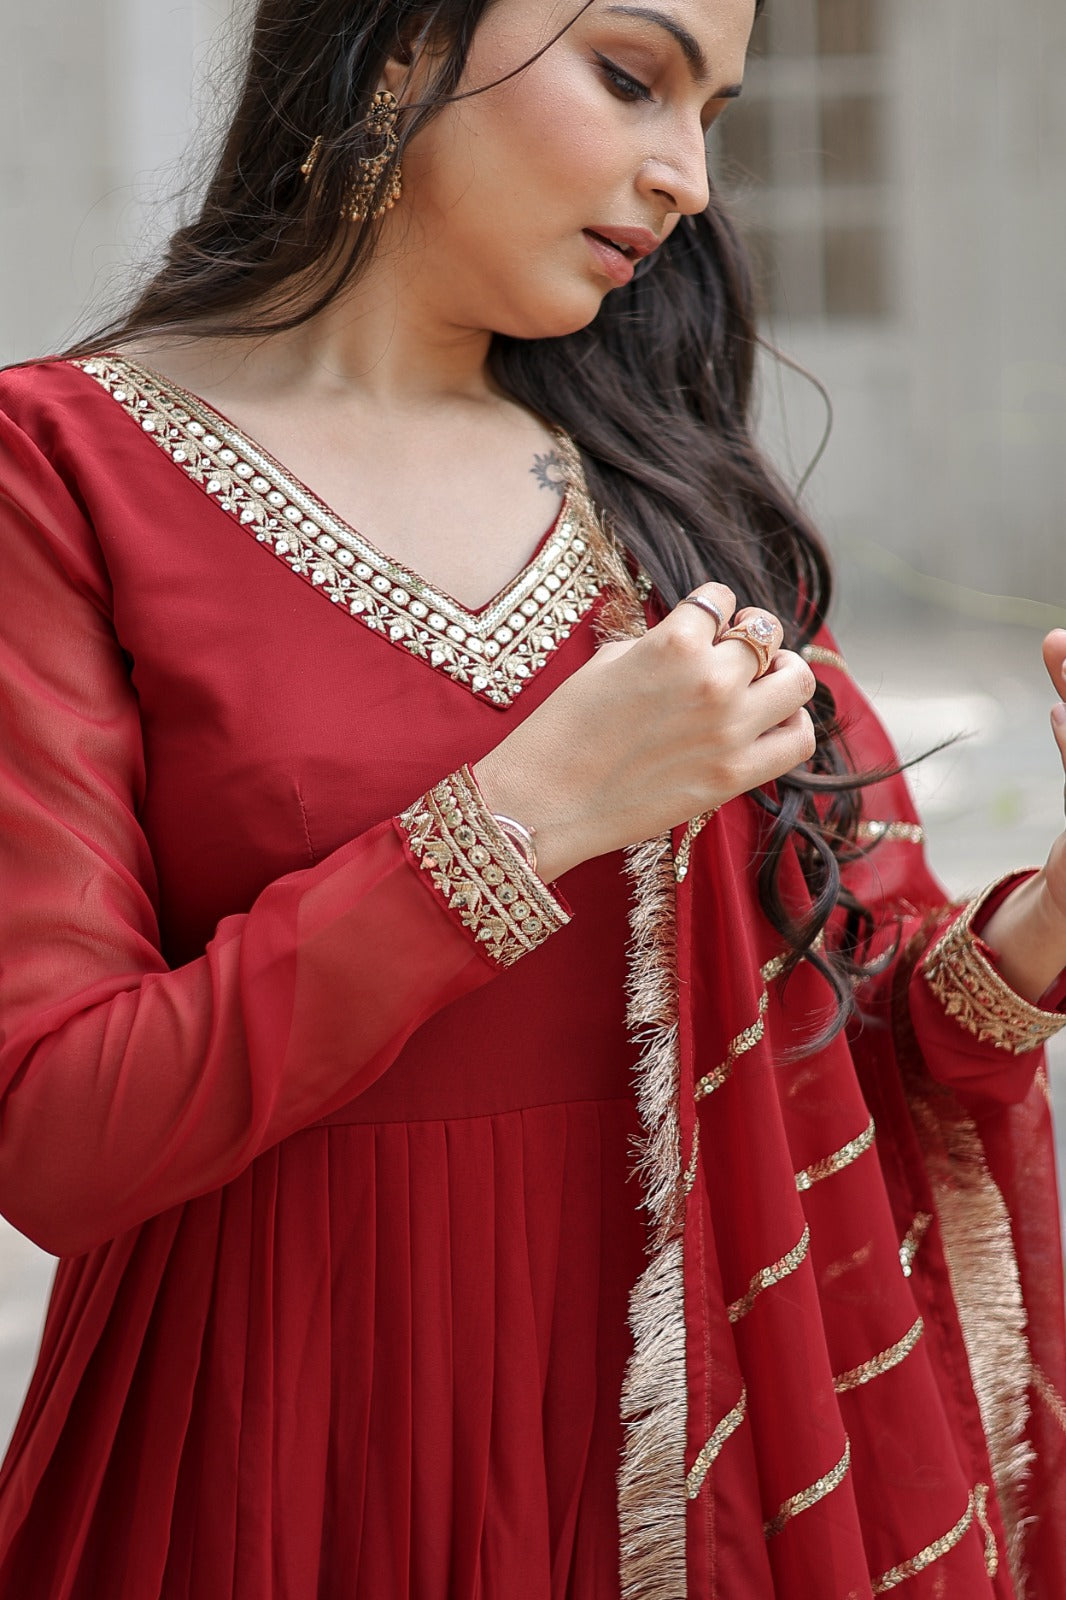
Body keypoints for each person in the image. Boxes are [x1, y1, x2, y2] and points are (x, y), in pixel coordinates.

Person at [0, 0, 1065, 1594]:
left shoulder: (682, 506)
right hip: (273, 1446)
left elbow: (873, 1042)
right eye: (632, 79)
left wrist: (1053, 916)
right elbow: (60, 1138)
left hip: (682, 1472)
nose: (689, 177)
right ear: (402, 48)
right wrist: (518, 820)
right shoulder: (61, 470)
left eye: (714, 113)